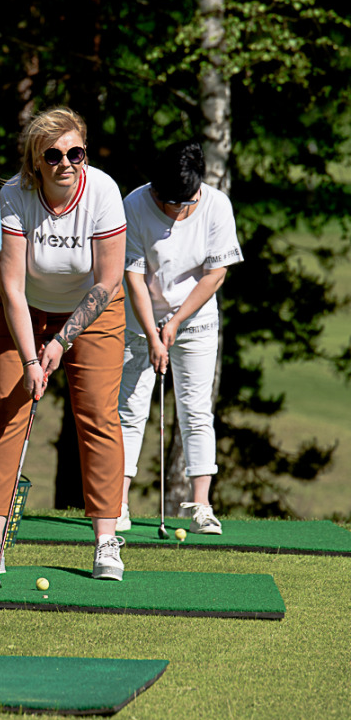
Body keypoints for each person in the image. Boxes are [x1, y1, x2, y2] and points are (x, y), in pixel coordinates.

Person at [0, 107, 127, 580]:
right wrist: (30, 359)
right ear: (35, 162)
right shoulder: (13, 196)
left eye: (75, 152)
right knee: (7, 405)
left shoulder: (102, 192)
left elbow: (106, 282)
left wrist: (61, 342)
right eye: (54, 154)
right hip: (21, 307)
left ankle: (106, 541)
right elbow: (13, 288)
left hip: (93, 309)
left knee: (97, 414)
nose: (66, 162)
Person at [117, 139, 243, 534]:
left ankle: (202, 506)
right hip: (140, 322)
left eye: (182, 204)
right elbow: (133, 277)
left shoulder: (216, 206)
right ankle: (116, 505)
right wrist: (154, 334)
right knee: (130, 410)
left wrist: (173, 325)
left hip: (196, 322)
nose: (173, 211)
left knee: (195, 409)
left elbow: (215, 274)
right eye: (166, 201)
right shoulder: (135, 205)